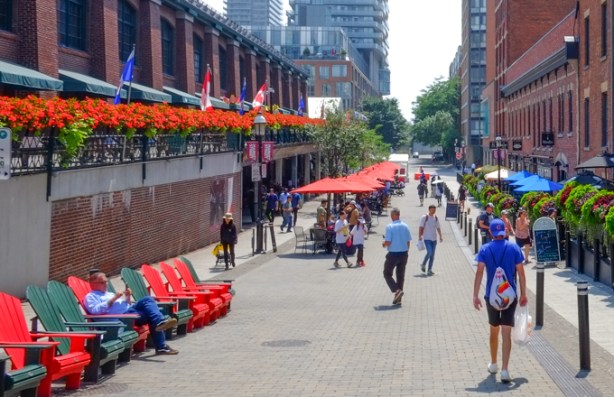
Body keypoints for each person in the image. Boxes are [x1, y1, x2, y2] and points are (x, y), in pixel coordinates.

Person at [473, 219, 528, 383]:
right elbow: (521, 273)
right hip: (510, 297)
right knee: (506, 332)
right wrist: (523, 293)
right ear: (504, 231)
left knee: (494, 331)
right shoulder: (514, 248)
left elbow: (479, 272)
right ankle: (505, 370)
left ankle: (494, 364)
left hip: (492, 296)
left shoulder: (485, 249)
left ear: (490, 232)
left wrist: (475, 295)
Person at [85, 272, 179, 355]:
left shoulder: (108, 293)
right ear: (93, 284)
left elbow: (126, 304)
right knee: (152, 314)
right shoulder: (90, 297)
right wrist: (114, 298)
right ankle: (161, 341)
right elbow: (95, 311)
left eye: (106, 281)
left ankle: (160, 325)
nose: (106, 284)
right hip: (123, 318)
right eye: (102, 282)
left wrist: (127, 297)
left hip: (130, 311)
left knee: (148, 299)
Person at [382, 208, 412, 305]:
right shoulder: (405, 226)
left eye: (391, 215)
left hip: (393, 254)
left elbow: (388, 242)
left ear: (395, 215)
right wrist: (406, 252)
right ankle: (398, 299)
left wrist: (383, 244)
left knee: (387, 273)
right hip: (403, 253)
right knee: (400, 276)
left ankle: (396, 290)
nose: (391, 217)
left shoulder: (390, 227)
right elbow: (408, 242)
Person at [418, 204, 443, 275]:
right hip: (427, 238)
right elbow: (421, 227)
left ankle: (430, 269)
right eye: (432, 209)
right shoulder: (424, 217)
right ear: (429, 209)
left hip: (434, 239)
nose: (434, 211)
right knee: (429, 252)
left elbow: (438, 227)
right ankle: (423, 264)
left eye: (435, 209)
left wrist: (440, 236)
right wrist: (419, 236)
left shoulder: (436, 218)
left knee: (432, 255)